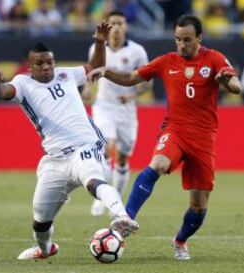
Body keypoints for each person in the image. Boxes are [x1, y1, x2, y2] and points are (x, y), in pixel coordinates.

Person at [88, 15, 242, 260]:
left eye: (188, 40)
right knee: (157, 164)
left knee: (199, 205)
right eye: (178, 40)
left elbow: (236, 85)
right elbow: (130, 78)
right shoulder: (166, 61)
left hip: (203, 138)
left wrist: (227, 83)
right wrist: (106, 71)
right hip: (175, 130)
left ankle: (180, 241)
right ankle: (125, 218)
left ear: (199, 38)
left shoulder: (213, 58)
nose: (182, 45)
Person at [0, 21, 139, 261]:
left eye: (50, 61)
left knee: (93, 181)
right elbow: (3, 93)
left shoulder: (67, 74)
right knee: (40, 219)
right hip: (55, 159)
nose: (47, 67)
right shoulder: (22, 84)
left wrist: (100, 40)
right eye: (40, 63)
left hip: (85, 146)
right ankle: (45, 250)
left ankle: (121, 217)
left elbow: (96, 67)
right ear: (30, 66)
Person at [83, 10, 151, 217]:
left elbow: (148, 82)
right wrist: (86, 89)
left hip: (127, 112)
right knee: (105, 149)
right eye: (113, 23)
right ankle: (102, 198)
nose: (117, 27)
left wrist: (130, 97)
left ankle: (115, 199)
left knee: (121, 160)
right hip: (104, 106)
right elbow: (90, 73)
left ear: (126, 26)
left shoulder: (137, 51)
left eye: (120, 23)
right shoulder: (96, 48)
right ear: (108, 26)